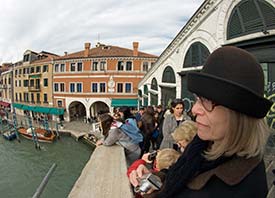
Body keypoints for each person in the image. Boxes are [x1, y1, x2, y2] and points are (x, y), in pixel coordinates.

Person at [129, 46, 272, 198]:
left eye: (207, 101)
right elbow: (181, 172)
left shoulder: (239, 189)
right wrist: (158, 178)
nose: (195, 109)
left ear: (237, 114)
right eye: (198, 99)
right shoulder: (203, 146)